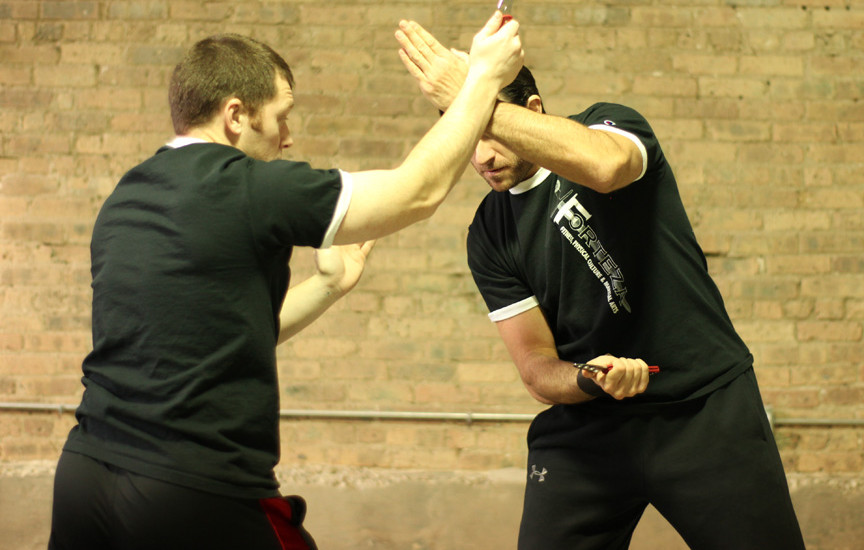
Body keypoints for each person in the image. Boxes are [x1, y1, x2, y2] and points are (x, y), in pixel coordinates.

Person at [49, 13, 523, 550]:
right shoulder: (248, 186)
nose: (288, 138)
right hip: (191, 487)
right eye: (281, 117)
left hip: (85, 478)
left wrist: (327, 287)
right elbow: (417, 192)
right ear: (236, 115)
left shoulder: (128, 194)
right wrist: (482, 80)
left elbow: (216, 337)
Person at [396, 20, 806, 550]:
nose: (482, 157)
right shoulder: (489, 234)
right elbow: (536, 369)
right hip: (590, 427)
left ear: (534, 109)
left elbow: (607, 166)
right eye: (467, 136)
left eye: (490, 133)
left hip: (703, 407)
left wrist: (474, 98)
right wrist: (589, 379)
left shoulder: (608, 126)